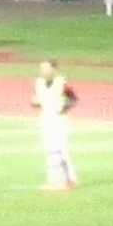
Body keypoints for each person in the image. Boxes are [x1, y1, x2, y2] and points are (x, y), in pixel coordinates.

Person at [30, 60, 78, 190]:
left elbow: (73, 99)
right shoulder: (39, 83)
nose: (43, 71)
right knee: (49, 150)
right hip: (45, 119)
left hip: (59, 120)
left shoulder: (61, 83)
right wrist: (34, 102)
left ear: (53, 69)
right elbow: (36, 100)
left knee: (61, 149)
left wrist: (64, 107)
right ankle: (53, 180)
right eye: (42, 68)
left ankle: (69, 179)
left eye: (46, 68)